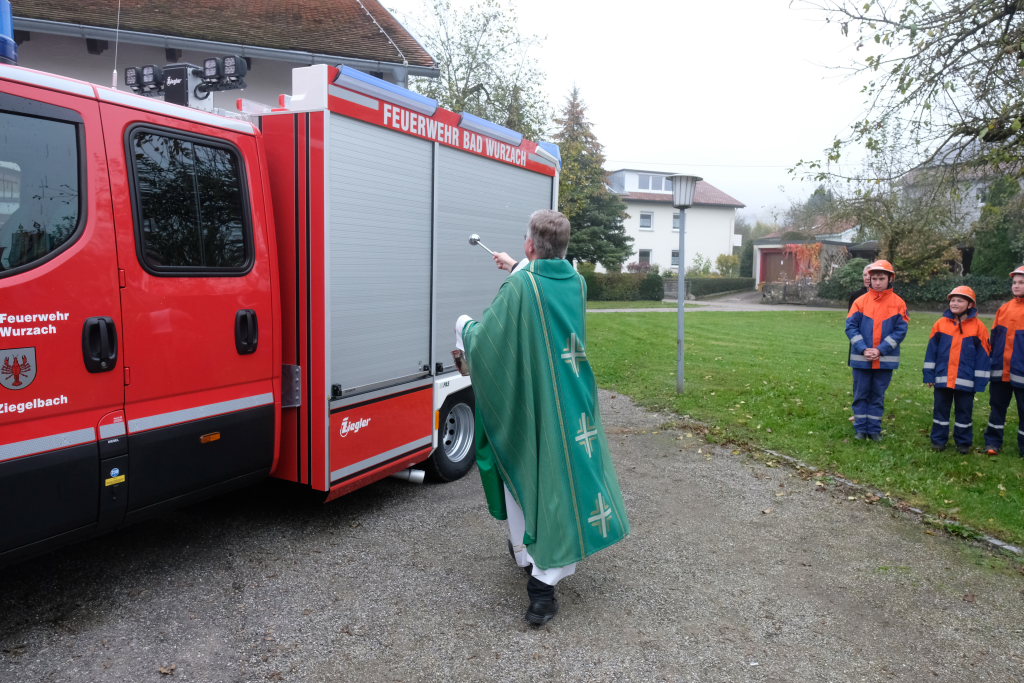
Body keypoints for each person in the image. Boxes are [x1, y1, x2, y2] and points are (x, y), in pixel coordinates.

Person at [454, 209, 630, 626]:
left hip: (539, 399)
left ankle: (542, 587)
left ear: (531, 244)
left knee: (535, 471)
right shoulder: (577, 281)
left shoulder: (521, 286)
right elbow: (542, 285)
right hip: (575, 396)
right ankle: (526, 554)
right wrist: (516, 265)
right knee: (568, 476)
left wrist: (463, 328)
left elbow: (488, 338)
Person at [845, 259, 910, 441]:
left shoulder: (899, 303)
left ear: (890, 279)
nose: (877, 282)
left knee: (877, 395)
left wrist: (880, 350)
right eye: (874, 279)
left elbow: (900, 331)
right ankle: (860, 429)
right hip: (862, 359)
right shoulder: (860, 302)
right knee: (861, 394)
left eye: (881, 279)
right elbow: (851, 327)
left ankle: (874, 430)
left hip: (884, 360)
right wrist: (863, 349)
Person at [923, 286, 990, 453]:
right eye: (952, 300)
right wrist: (929, 375)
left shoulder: (979, 327)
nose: (954, 303)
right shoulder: (940, 324)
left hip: (966, 381)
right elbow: (931, 352)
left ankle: (963, 443)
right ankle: (938, 441)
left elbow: (983, 357)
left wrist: (980, 382)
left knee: (964, 413)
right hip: (943, 378)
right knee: (940, 411)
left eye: (960, 300)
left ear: (970, 305)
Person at [984, 265, 1024, 456]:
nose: (1016, 285)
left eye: (1021, 282)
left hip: (1021, 371)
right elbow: (993, 339)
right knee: (997, 407)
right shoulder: (1004, 309)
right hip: (1000, 370)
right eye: (1014, 282)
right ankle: (993, 442)